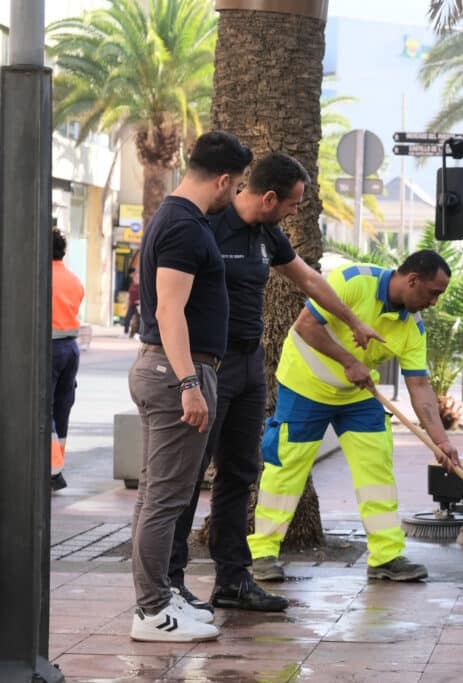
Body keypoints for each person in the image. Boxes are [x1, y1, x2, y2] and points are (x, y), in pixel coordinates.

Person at [167, 152, 384, 614]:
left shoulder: (267, 233)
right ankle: (171, 583)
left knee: (241, 472)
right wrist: (186, 375)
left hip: (249, 366)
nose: (294, 213)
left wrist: (354, 322)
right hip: (210, 366)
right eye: (292, 204)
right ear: (269, 197)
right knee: (188, 477)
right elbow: (169, 303)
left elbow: (308, 278)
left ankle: (232, 580)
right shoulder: (208, 223)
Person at [247, 250, 461, 583]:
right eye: (433, 292)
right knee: (286, 467)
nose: (434, 302)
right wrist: (349, 361)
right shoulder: (353, 282)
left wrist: (442, 442)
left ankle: (386, 556)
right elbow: (305, 326)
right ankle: (263, 553)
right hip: (306, 386)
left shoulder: (412, 327)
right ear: (413, 280)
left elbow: (419, 386)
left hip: (359, 394)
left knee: (376, 466)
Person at [128, 130, 253, 643]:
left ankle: (159, 598)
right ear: (224, 180)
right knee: (165, 499)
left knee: (158, 497)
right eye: (239, 184)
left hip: (174, 368)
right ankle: (153, 610)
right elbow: (167, 308)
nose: (237, 193)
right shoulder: (182, 225)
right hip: (175, 370)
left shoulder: (177, 217)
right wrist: (188, 382)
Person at [51, 225, 85, 491]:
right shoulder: (73, 279)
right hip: (70, 348)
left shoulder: (39, 277)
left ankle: (51, 470)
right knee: (62, 408)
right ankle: (57, 465)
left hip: (47, 349)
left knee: (43, 409)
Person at [123, 267, 140, 338]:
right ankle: (126, 332)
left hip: (138, 305)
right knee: (127, 318)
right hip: (131, 304)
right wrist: (126, 303)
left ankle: (137, 333)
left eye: (136, 277)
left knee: (138, 320)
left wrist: (141, 301)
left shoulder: (141, 285)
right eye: (134, 277)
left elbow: (144, 294)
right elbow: (129, 294)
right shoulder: (132, 284)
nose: (135, 278)